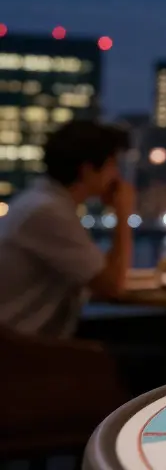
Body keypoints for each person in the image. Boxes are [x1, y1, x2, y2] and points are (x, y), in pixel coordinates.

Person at [0, 120, 134, 338]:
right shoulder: (49, 213)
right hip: (19, 354)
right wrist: (123, 212)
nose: (117, 176)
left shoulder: (42, 203)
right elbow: (112, 286)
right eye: (112, 165)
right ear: (88, 170)